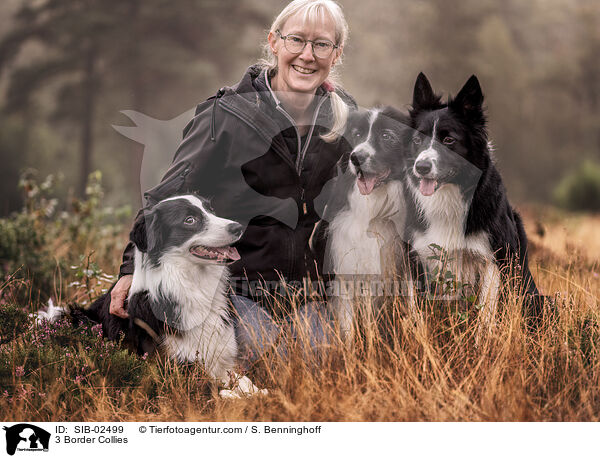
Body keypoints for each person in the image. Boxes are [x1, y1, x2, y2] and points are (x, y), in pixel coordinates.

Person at [109, 0, 356, 358]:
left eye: (321, 44)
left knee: (329, 362)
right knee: (264, 360)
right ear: (274, 42)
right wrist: (132, 269)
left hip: (310, 293)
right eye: (296, 40)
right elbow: (167, 198)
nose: (307, 55)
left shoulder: (345, 118)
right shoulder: (224, 116)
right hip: (235, 287)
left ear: (336, 54)